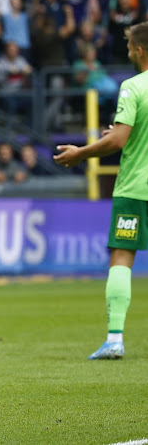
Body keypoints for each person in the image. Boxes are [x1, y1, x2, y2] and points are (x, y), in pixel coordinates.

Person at [54, 21, 148, 360]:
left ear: (138, 50)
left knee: (122, 258)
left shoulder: (133, 87)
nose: (126, 51)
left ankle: (115, 339)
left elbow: (119, 140)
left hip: (136, 188)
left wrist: (80, 153)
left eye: (128, 47)